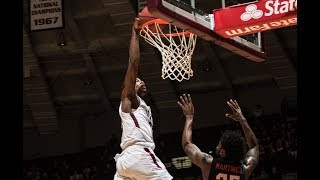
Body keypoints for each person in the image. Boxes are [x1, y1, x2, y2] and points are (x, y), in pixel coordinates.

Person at [113, 17, 173, 180]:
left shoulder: (140, 105)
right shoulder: (129, 98)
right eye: (137, 80)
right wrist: (135, 32)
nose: (141, 80)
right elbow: (133, 62)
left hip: (125, 162)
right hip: (139, 154)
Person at [177, 94, 259, 180]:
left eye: (219, 145)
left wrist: (189, 117)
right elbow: (254, 146)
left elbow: (187, 145)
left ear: (223, 151)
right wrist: (242, 120)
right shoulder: (245, 169)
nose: (216, 146)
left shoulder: (207, 163)